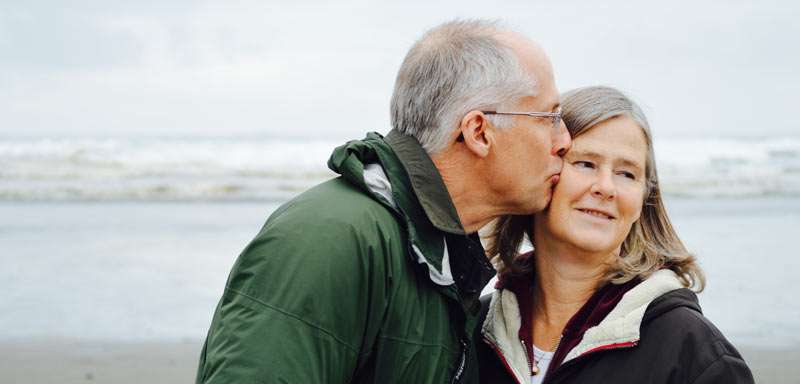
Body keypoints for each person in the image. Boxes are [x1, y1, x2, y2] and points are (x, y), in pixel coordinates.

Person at [195, 20, 571, 383]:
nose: (564, 141)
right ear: (478, 132)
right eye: (549, 116)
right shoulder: (330, 239)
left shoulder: (437, 252)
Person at [477, 86, 754, 383]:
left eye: (627, 173)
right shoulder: (475, 330)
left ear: (642, 202)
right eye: (585, 164)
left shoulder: (694, 354)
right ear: (541, 174)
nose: (606, 187)